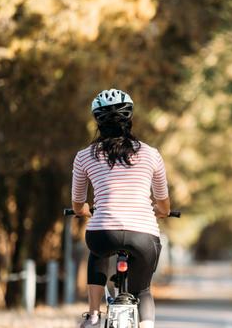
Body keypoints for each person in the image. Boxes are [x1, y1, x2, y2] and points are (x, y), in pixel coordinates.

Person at [71, 88, 171, 328]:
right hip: (143, 235)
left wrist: (83, 210)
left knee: (97, 255)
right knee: (144, 289)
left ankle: (93, 314)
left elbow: (77, 202)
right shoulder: (150, 154)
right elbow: (163, 201)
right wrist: (163, 211)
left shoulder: (84, 156)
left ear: (97, 121)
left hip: (103, 233)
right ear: (129, 118)